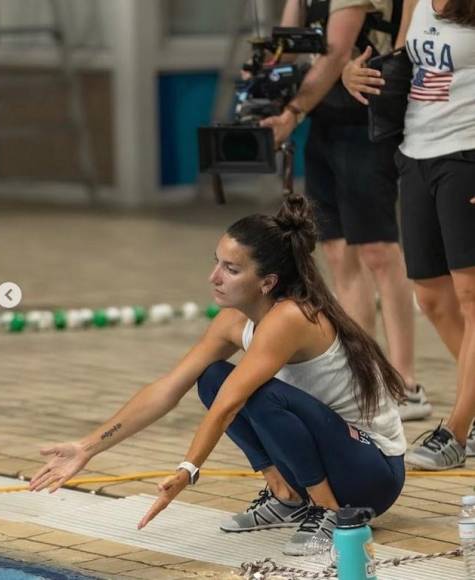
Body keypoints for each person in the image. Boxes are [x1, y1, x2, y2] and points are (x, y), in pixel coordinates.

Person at [29, 193, 406, 555]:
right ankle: (286, 495)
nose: (214, 277)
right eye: (216, 262)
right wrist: (87, 447)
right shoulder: (233, 321)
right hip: (335, 459)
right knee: (211, 376)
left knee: (255, 393)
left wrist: (187, 470)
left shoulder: (292, 317)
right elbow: (167, 388)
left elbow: (230, 405)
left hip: (372, 472)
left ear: (268, 282)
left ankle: (329, 513)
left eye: (231, 269)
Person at [260, 0, 430, 422]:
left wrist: (294, 108)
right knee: (337, 252)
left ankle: (406, 382)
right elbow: (288, 46)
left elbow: (338, 50)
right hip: (327, 121)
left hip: (368, 122)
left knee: (378, 250)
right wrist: (265, 75)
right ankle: (364, 375)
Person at [342, 0, 475, 469]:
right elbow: (402, 64)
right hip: (416, 154)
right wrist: (352, 76)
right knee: (433, 298)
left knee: (471, 296)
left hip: (468, 157)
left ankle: (458, 430)